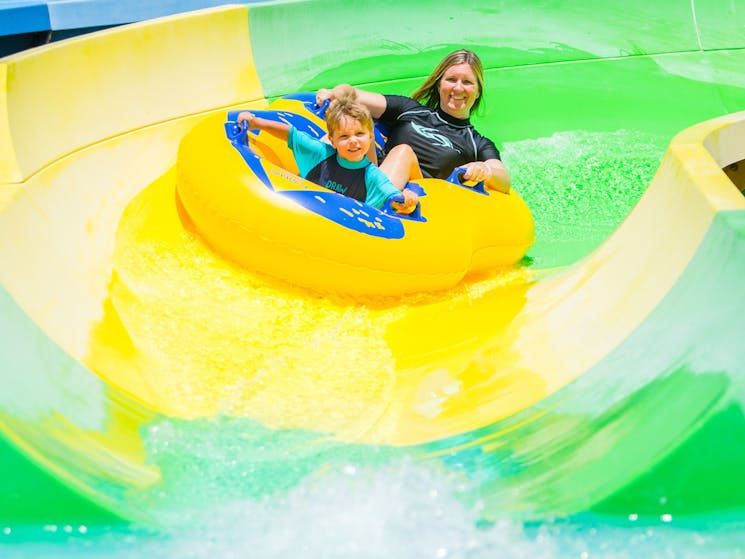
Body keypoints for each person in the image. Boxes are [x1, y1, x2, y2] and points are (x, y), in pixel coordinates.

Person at [315, 49, 511, 194]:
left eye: (467, 82)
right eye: (451, 79)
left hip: (412, 196)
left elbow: (503, 180)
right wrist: (333, 93)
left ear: (477, 92)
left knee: (403, 153)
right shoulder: (408, 109)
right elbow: (351, 94)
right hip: (371, 174)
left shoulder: (477, 143)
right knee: (350, 130)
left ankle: (369, 200)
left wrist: (484, 170)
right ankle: (310, 183)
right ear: (439, 84)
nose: (458, 88)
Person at [236, 95, 419, 214]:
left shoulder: (373, 177)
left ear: (371, 137)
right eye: (344, 136)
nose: (353, 141)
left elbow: (393, 198)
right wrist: (256, 122)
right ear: (332, 140)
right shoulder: (321, 153)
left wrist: (408, 200)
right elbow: (290, 133)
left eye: (359, 134)